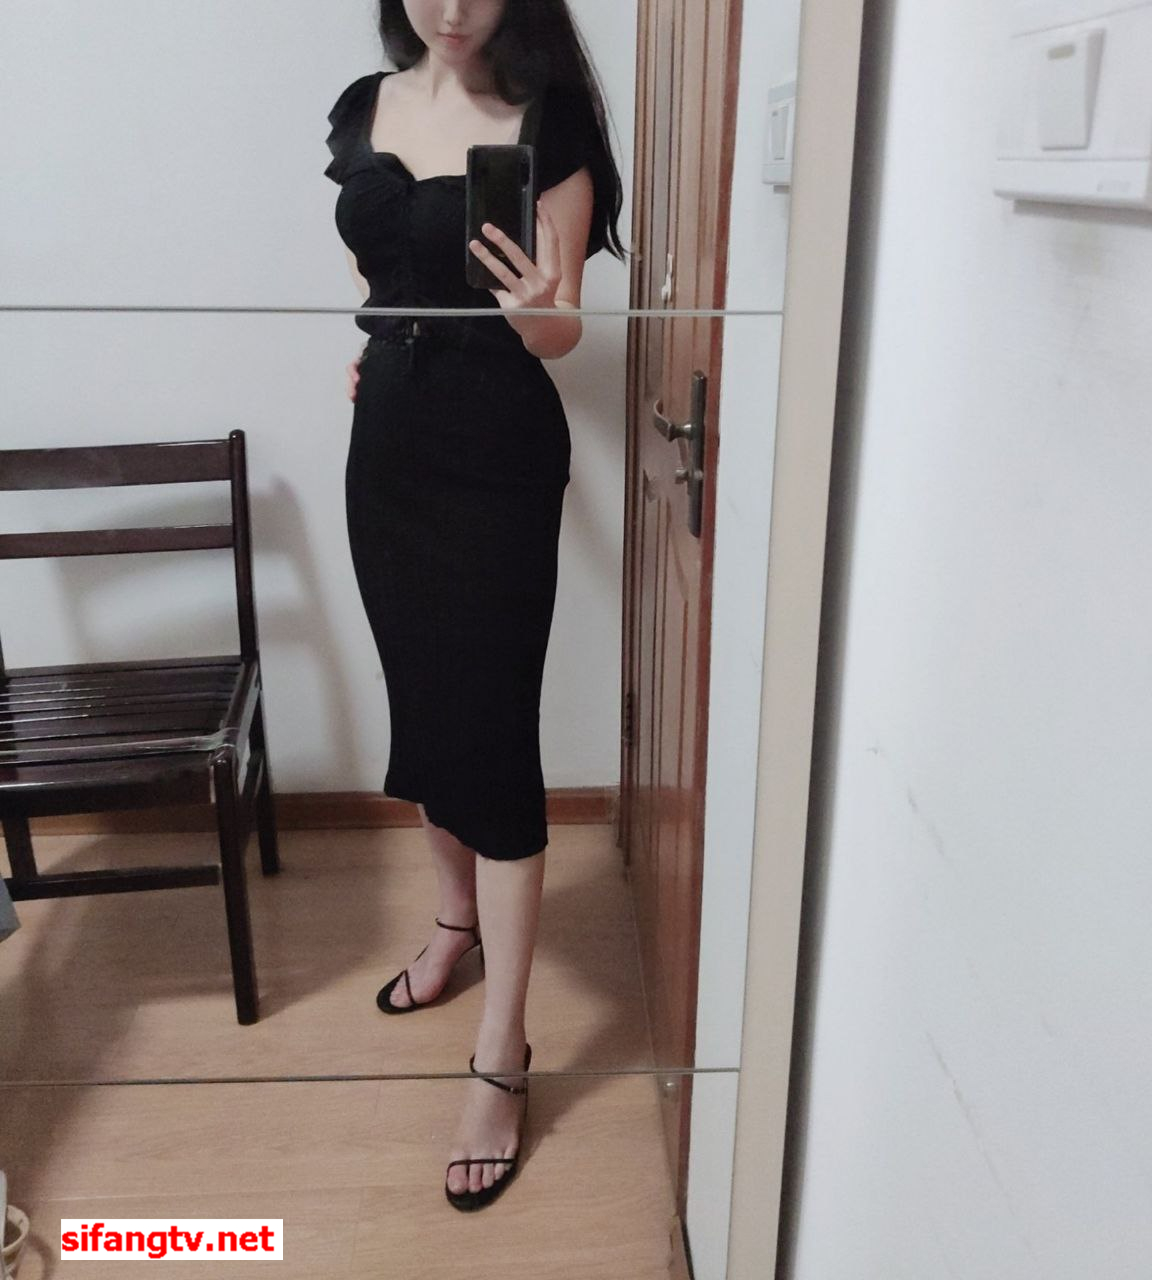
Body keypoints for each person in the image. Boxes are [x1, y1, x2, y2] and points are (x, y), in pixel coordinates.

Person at [324, 0, 625, 1211]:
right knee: (420, 692)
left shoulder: (551, 121)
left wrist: (529, 303)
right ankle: (456, 919)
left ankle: (503, 1051)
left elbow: (562, 329)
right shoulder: (366, 107)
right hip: (387, 447)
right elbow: (373, 263)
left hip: (497, 444)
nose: (452, 9)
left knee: (493, 731)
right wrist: (380, 339)